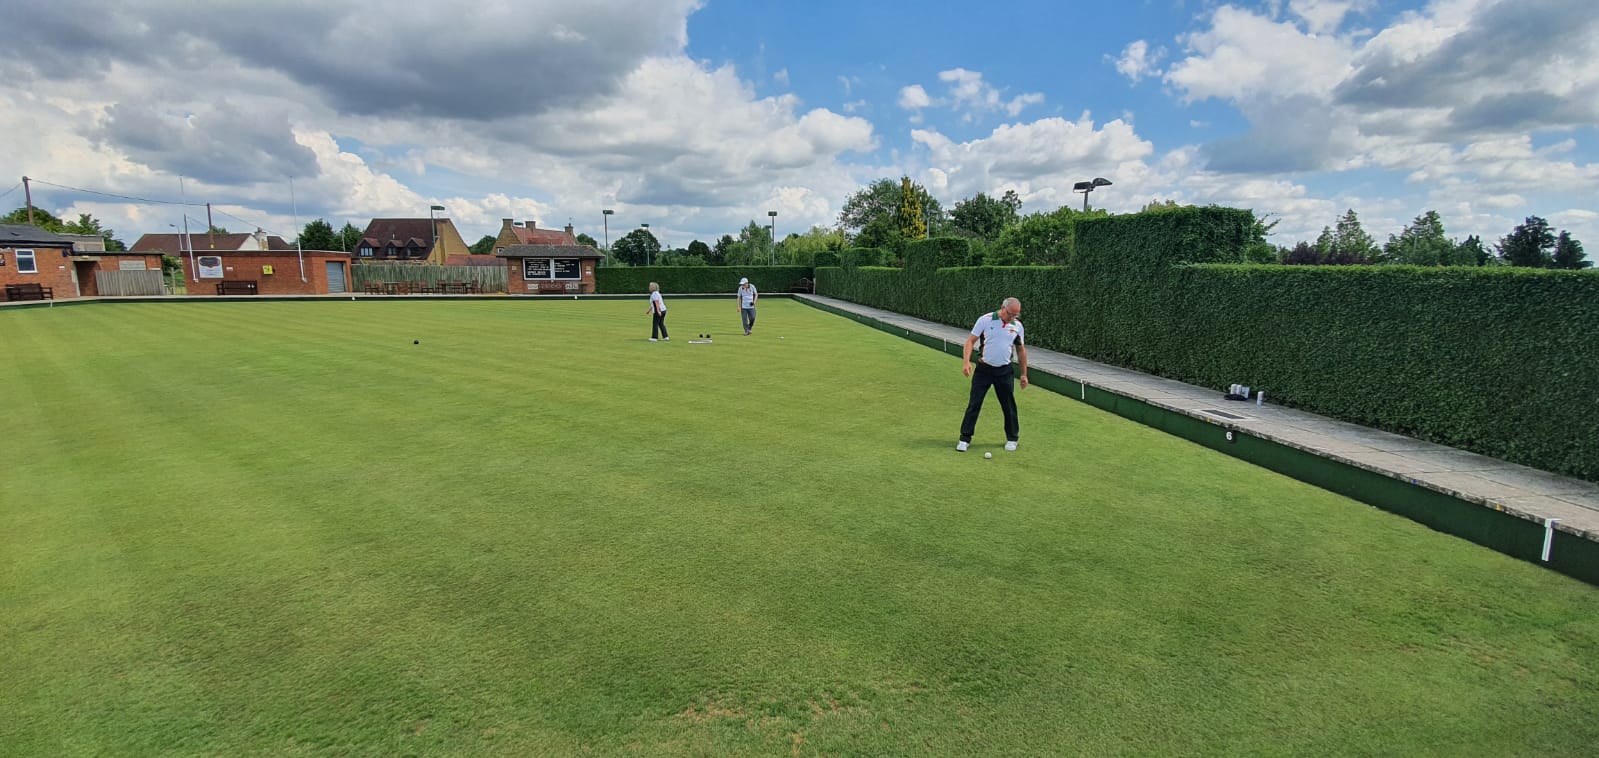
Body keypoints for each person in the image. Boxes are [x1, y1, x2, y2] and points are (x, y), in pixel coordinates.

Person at [957, 297, 1028, 452]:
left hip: (1005, 371)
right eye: (1010, 314)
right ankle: (964, 438)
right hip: (983, 370)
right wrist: (966, 362)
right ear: (1003, 308)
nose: (1012, 318)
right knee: (974, 403)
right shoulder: (985, 320)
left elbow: (1020, 350)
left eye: (1016, 315)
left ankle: (1012, 438)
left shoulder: (1017, 326)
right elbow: (970, 341)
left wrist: (1023, 374)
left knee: (1008, 405)